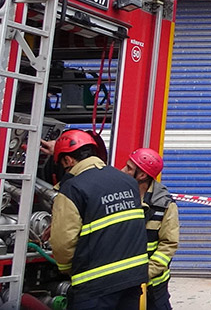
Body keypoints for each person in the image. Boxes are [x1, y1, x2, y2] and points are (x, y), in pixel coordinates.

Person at [50, 129, 148, 310]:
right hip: (132, 278)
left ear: (67, 160)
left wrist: (67, 269)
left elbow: (62, 243)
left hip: (95, 284)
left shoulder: (73, 188)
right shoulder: (127, 182)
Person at [121, 148, 179, 310]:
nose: (122, 170)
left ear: (142, 175)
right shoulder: (119, 197)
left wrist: (146, 272)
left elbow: (168, 245)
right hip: (123, 282)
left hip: (153, 285)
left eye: (128, 168)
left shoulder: (164, 204)